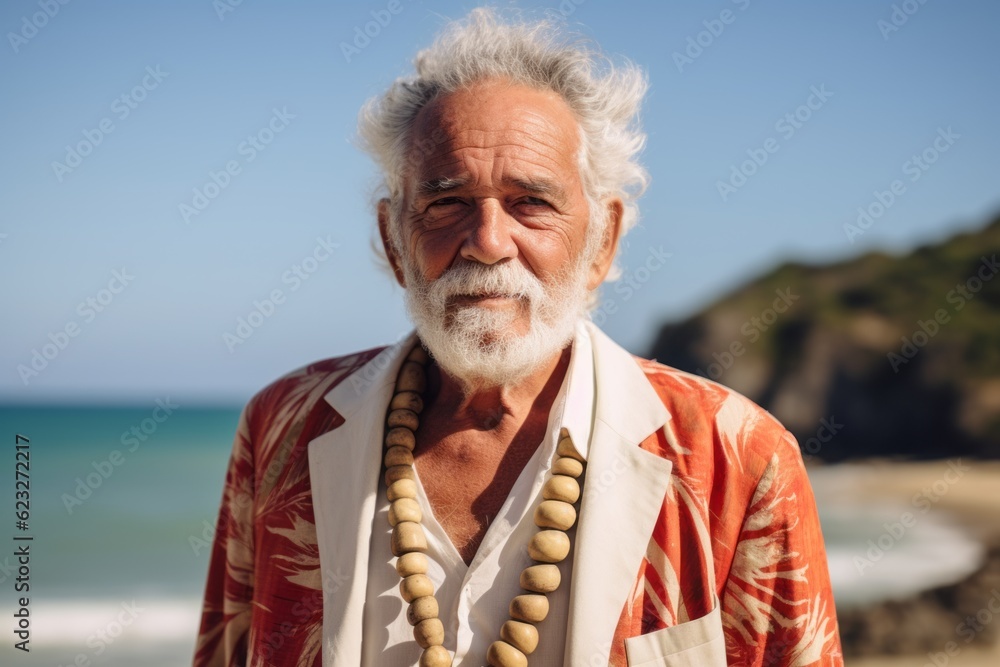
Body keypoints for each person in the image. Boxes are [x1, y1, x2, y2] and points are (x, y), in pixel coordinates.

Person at [193, 8, 843, 666]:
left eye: (531, 202)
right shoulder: (281, 430)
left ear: (603, 240)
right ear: (395, 242)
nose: (487, 241)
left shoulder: (739, 458)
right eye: (446, 202)